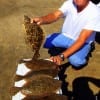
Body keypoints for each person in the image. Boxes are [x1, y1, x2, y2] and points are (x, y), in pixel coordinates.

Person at [32, 0, 100, 68]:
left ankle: (87, 53)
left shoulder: (95, 12)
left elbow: (81, 39)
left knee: (76, 62)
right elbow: (55, 15)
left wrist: (61, 56)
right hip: (65, 36)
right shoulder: (69, 3)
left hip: (83, 42)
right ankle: (66, 49)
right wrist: (42, 19)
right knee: (47, 41)